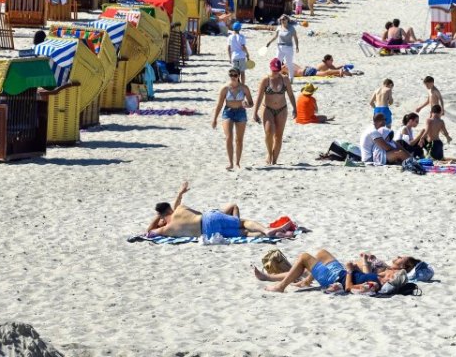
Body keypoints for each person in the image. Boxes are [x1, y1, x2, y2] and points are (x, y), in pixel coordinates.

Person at [147, 181, 290, 238]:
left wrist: (158, 217)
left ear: (161, 216)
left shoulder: (167, 230)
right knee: (243, 222)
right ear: (169, 209)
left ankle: (275, 235)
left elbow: (148, 232)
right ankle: (266, 230)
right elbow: (176, 205)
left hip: (208, 234)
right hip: (208, 218)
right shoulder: (179, 209)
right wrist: (180, 193)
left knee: (244, 233)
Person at [254, 249, 418, 294]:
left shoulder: (374, 285)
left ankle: (280, 286)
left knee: (304, 257)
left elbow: (349, 288)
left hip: (334, 278)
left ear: (390, 279)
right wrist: (360, 266)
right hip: (340, 272)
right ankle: (306, 281)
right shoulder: (379, 278)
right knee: (321, 253)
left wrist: (350, 271)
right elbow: (363, 274)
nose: (391, 272)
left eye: (393, 275)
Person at [252, 58, 296, 166]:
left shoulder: (285, 79)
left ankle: (275, 160)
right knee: (269, 133)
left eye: (277, 70)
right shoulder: (265, 80)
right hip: (268, 109)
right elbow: (259, 97)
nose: (275, 72)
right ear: (270, 68)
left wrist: (295, 108)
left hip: (282, 109)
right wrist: (255, 112)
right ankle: (269, 154)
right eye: (274, 70)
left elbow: (290, 95)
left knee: (278, 136)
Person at [212, 68, 253, 170]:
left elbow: (251, 103)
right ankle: (230, 163)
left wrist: (247, 105)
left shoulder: (244, 88)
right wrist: (215, 118)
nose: (233, 77)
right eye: (231, 75)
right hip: (228, 112)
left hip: (241, 112)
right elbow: (219, 104)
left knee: (239, 139)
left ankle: (237, 162)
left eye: (235, 75)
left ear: (239, 76)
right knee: (229, 137)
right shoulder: (225, 88)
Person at [265, 15, 300, 79]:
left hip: (288, 48)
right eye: (281, 19)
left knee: (289, 63)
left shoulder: (291, 28)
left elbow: (295, 38)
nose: (282, 20)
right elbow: (275, 36)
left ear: (287, 20)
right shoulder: (279, 28)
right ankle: (276, 76)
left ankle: (291, 78)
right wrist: (269, 42)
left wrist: (297, 46)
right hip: (280, 48)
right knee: (277, 62)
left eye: (284, 19)